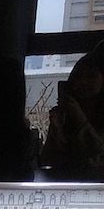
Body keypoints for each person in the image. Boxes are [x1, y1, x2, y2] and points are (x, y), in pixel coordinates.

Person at [42, 44, 104, 181]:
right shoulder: (66, 114)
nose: (83, 82)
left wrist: (80, 119)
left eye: (91, 77)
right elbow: (47, 160)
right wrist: (56, 131)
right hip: (64, 184)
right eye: (78, 77)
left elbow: (99, 154)